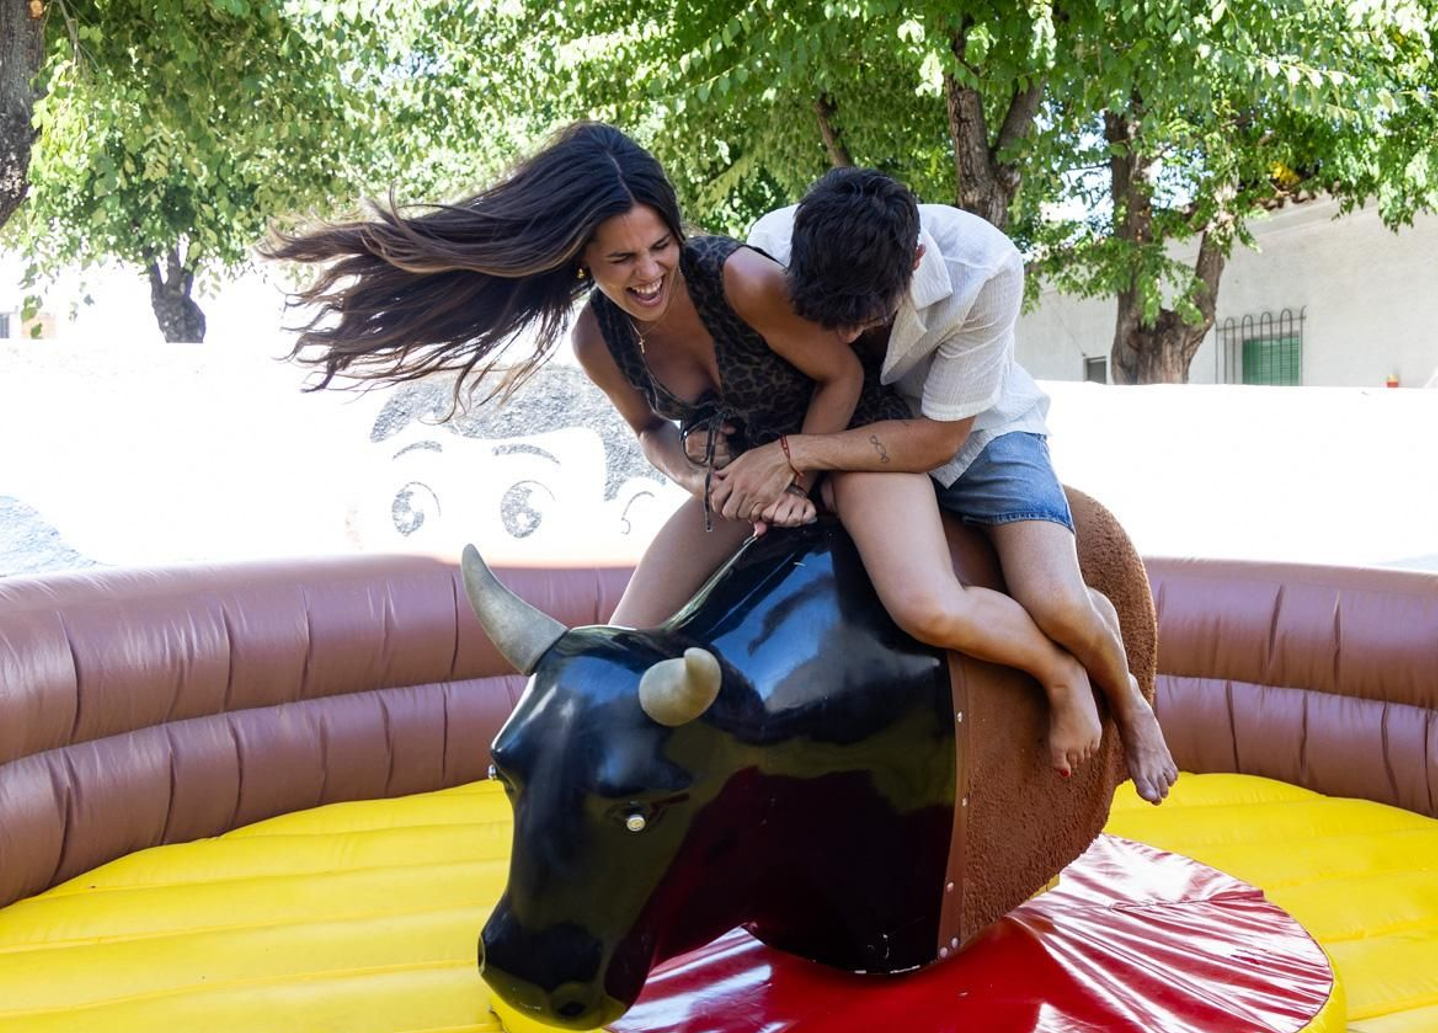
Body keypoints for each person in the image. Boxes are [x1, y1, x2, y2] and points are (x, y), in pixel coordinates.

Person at [270, 122, 1102, 781]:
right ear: (583, 263)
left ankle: (1057, 672)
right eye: (620, 260)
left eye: (659, 245)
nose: (647, 272)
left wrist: (795, 464)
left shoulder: (739, 278)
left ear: (677, 230)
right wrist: (703, 478)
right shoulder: (596, 341)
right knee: (620, 651)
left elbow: (843, 370)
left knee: (929, 605)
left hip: (840, 441)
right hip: (740, 476)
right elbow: (649, 435)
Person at [713, 167, 1177, 804]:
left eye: (862, 317)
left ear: (916, 260)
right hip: (853, 427)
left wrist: (794, 454)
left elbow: (939, 439)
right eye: (831, 316)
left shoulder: (985, 265)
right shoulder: (768, 249)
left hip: (978, 428)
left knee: (1058, 603)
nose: (846, 335)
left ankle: (1129, 700)